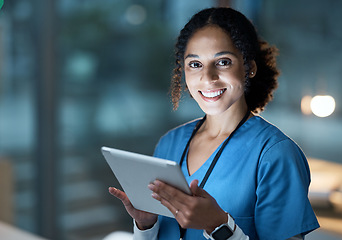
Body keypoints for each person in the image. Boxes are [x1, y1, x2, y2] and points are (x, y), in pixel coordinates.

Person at [109, 7, 319, 240]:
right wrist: (146, 225)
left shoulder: (275, 154)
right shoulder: (169, 143)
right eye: (195, 64)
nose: (207, 78)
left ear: (249, 68)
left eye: (223, 62)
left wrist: (219, 226)